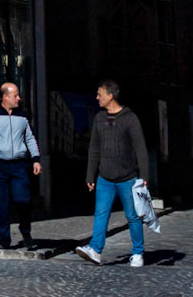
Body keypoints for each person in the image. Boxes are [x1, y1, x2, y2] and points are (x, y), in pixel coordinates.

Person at [75, 77, 149, 269]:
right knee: (101, 214)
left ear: (110, 96)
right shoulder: (99, 118)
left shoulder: (130, 118)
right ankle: (95, 250)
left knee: (133, 216)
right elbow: (94, 148)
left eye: (99, 94)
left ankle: (138, 253)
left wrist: (144, 177)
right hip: (104, 178)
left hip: (128, 178)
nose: (96, 97)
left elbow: (140, 148)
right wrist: (90, 175)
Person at [0, 79, 42, 251]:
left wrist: (36, 158)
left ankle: (26, 232)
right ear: (5, 97)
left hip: (19, 165)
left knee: (23, 200)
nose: (19, 98)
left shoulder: (23, 116)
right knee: (0, 204)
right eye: (15, 95)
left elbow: (30, 138)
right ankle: (4, 239)